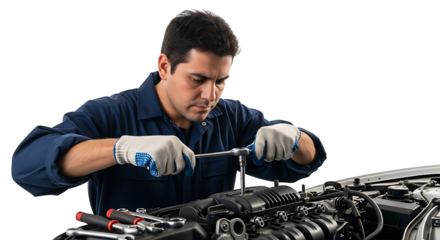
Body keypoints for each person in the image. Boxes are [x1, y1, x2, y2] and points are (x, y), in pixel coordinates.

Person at [10, 8, 328, 217]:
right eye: (198, 79)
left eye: (222, 81)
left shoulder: (233, 116)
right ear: (164, 66)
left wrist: (295, 138)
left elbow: (305, 162)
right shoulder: (110, 113)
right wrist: (122, 149)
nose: (210, 95)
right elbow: (26, 168)